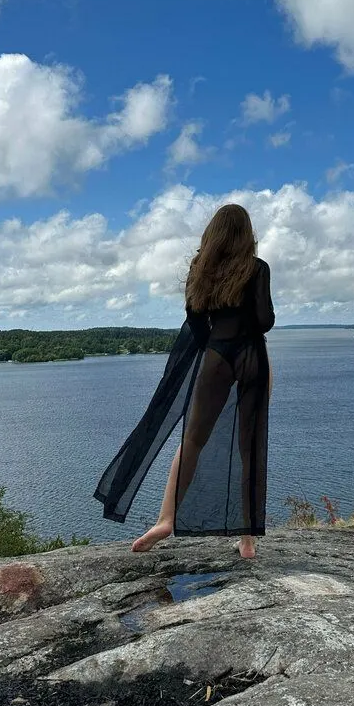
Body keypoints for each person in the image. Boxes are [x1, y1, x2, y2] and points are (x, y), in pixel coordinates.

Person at [94, 204, 275, 559]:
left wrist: (215, 346)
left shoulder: (200, 267)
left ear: (213, 234)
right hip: (252, 357)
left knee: (192, 439)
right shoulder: (257, 268)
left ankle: (165, 520)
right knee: (249, 445)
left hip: (216, 355)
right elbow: (264, 320)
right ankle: (247, 539)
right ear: (246, 234)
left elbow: (194, 319)